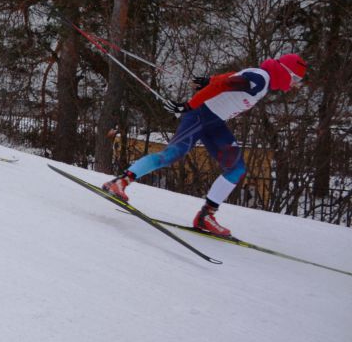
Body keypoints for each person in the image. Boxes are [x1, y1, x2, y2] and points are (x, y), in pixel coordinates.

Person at [102, 53, 308, 237]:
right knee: (171, 155)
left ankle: (206, 216)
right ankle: (120, 182)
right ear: (285, 72)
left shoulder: (261, 78)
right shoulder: (261, 79)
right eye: (295, 78)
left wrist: (208, 80)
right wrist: (189, 105)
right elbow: (222, 85)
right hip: (200, 116)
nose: (294, 84)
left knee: (236, 169)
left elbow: (226, 79)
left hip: (215, 123)